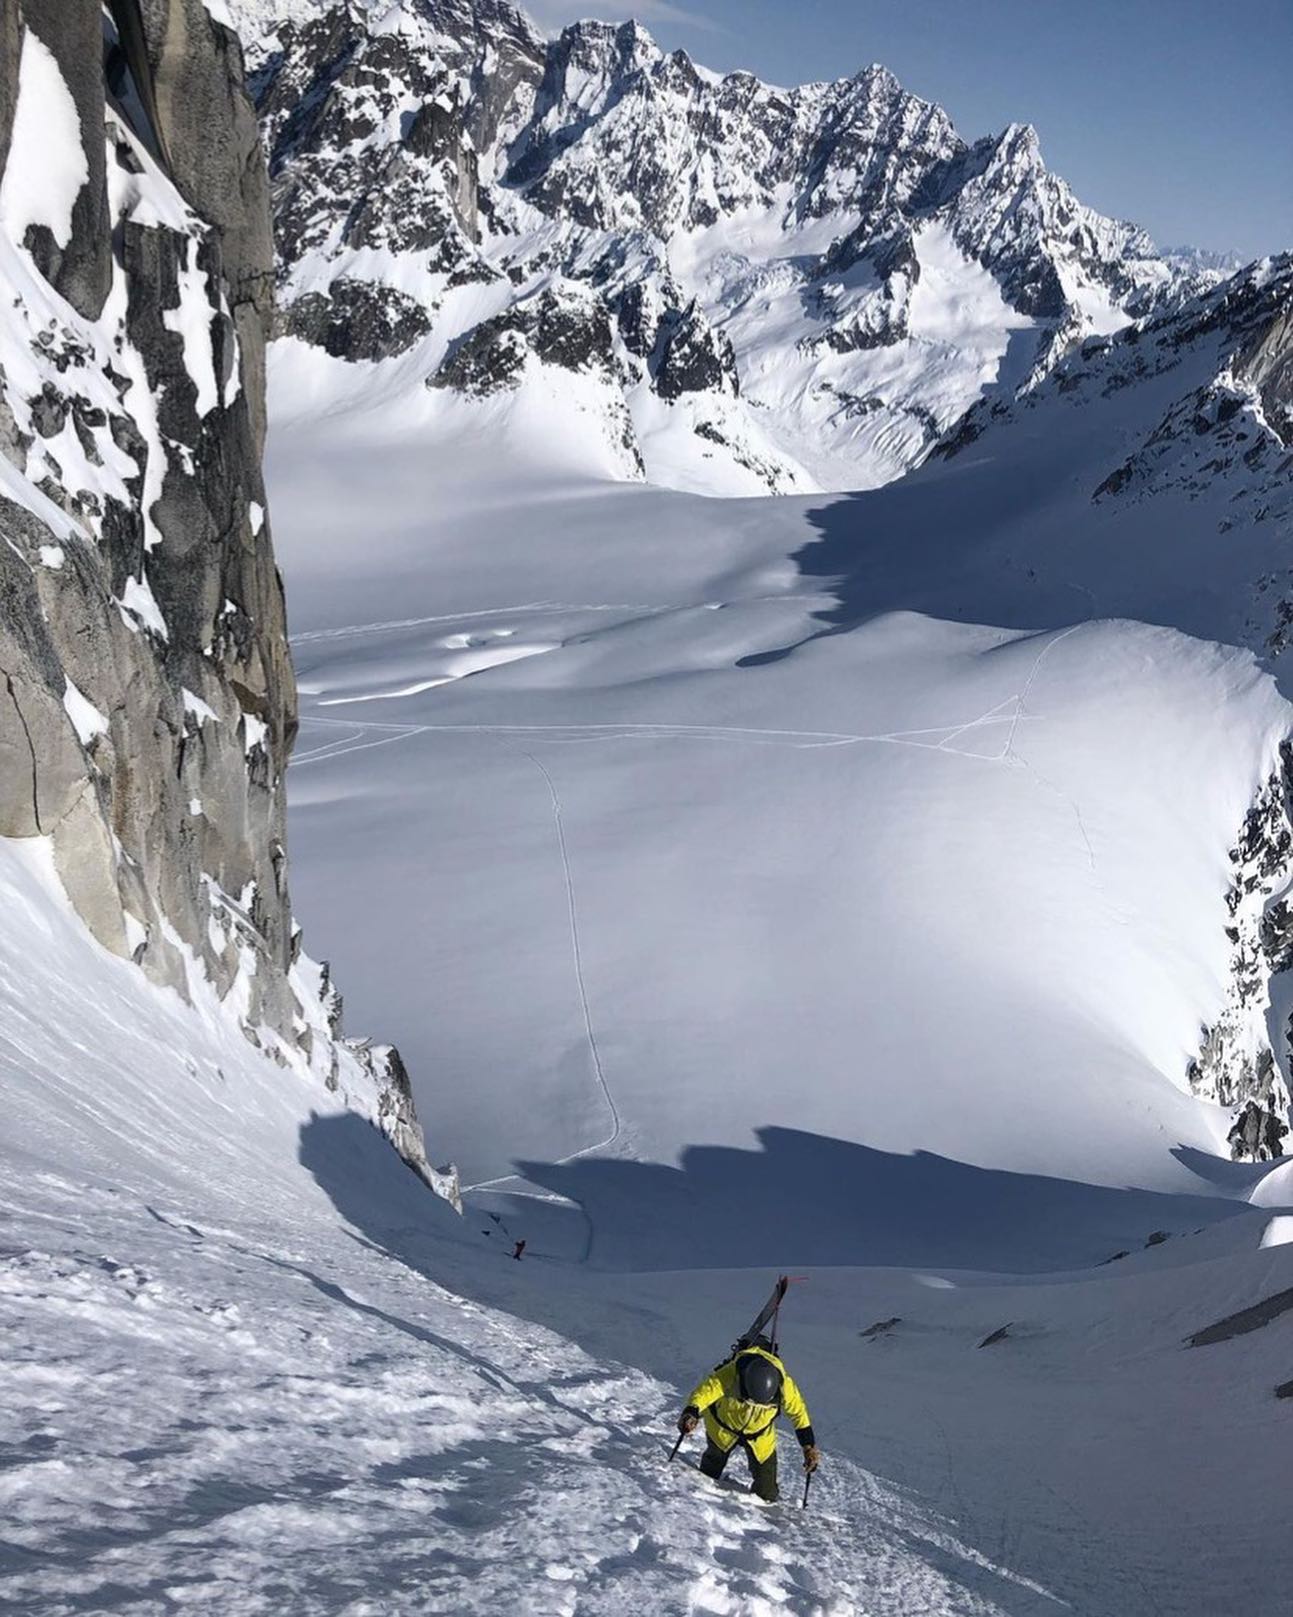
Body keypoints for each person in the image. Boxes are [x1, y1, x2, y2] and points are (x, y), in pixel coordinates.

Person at [677, 1335, 820, 1503]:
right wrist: (691, 1411)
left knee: (766, 1493)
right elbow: (707, 1390)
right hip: (723, 1427)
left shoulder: (784, 1386)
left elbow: (799, 1414)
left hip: (759, 1435)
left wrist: (808, 1446)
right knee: (708, 1473)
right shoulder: (733, 1371)